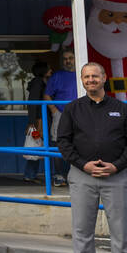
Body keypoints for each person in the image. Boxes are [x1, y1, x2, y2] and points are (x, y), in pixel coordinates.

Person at [57, 62, 127, 253]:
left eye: (95, 76)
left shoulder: (121, 109)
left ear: (104, 78)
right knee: (82, 229)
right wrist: (82, 164)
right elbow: (63, 142)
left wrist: (117, 165)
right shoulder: (72, 109)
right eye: (86, 77)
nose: (90, 80)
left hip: (115, 176)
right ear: (82, 80)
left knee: (121, 230)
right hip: (82, 175)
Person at [45, 48, 78, 185]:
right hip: (61, 114)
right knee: (57, 145)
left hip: (80, 114)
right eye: (65, 59)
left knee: (80, 144)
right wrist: (54, 111)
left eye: (70, 58)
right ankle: (59, 176)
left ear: (76, 58)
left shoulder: (84, 75)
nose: (68, 61)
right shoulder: (57, 76)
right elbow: (46, 95)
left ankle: (76, 176)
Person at [23, 61, 51, 182]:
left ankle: (31, 174)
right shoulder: (38, 83)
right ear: (43, 71)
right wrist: (32, 122)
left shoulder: (41, 82)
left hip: (41, 118)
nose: (51, 70)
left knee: (38, 145)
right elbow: (33, 103)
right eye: (48, 68)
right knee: (36, 145)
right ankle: (30, 175)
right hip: (39, 119)